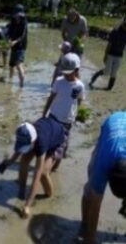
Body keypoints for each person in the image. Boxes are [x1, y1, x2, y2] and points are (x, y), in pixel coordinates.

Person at [0, 119, 65, 219]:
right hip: (45, 133)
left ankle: (48, 194)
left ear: (33, 141)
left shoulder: (41, 143)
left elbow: (36, 177)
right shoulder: (25, 134)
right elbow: (19, 151)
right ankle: (22, 191)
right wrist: (8, 163)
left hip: (57, 142)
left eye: (27, 146)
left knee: (42, 173)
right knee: (23, 162)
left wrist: (27, 205)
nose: (24, 148)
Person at [80, 111, 126, 244]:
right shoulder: (102, 165)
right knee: (91, 192)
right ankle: (84, 224)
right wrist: (90, 239)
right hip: (112, 122)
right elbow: (96, 204)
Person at [42, 53, 84, 170]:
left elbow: (79, 101)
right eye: (64, 72)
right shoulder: (59, 81)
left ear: (76, 70)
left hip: (67, 120)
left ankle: (55, 167)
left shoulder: (79, 86)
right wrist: (44, 112)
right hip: (53, 117)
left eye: (68, 73)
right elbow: (51, 97)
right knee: (50, 142)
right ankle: (47, 164)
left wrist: (76, 114)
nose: (65, 75)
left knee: (62, 145)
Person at [89, 17, 126, 91]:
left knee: (114, 72)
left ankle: (109, 87)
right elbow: (109, 44)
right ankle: (93, 79)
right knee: (107, 71)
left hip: (119, 56)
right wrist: (105, 55)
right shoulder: (115, 32)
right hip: (111, 54)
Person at [7, 5, 28, 87]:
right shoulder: (12, 21)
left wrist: (15, 41)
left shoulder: (24, 22)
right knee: (11, 64)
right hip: (13, 44)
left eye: (17, 15)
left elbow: (23, 36)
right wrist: (9, 39)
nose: (16, 16)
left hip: (21, 45)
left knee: (18, 63)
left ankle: (21, 84)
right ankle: (10, 82)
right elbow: (9, 32)